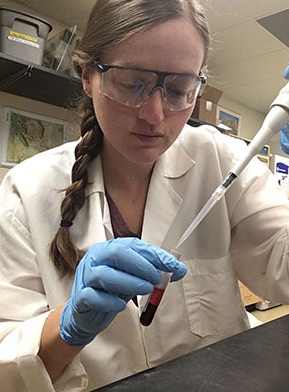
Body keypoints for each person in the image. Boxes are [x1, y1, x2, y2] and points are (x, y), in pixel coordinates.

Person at [1, 1, 289, 391]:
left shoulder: (223, 159)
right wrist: (67, 326)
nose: (155, 114)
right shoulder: (27, 192)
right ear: (88, 76)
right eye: (130, 82)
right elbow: (6, 361)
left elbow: (282, 267)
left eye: (179, 89)